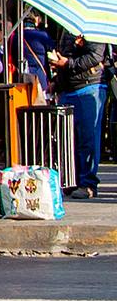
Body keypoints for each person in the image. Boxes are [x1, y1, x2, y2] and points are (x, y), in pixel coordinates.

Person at [55, 31, 103, 201]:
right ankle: (73, 181)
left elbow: (96, 55)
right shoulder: (65, 28)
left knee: (87, 139)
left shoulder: (92, 27)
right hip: (68, 88)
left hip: (88, 86)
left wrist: (68, 63)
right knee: (69, 140)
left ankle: (88, 184)